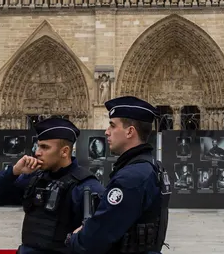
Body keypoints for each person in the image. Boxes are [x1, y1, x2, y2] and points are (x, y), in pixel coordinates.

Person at [0, 117, 105, 254]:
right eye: (38, 146)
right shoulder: (34, 179)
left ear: (64, 151)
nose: (37, 152)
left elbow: (98, 241)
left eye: (45, 147)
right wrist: (14, 171)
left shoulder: (86, 187)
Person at [66, 96, 171, 254]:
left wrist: (75, 239)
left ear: (130, 132)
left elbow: (98, 236)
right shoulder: (149, 166)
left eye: (112, 126)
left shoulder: (131, 177)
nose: (106, 132)